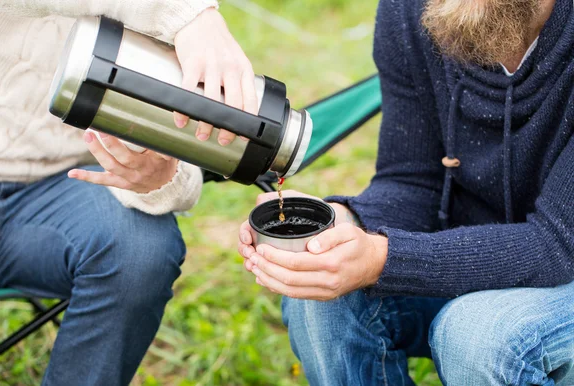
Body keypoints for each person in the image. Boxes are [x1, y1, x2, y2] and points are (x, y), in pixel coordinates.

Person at [238, 0, 574, 384]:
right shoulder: (414, 9)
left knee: (475, 336)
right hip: (471, 254)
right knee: (321, 297)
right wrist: (344, 223)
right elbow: (412, 180)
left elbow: (557, 243)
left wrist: (381, 259)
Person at [0, 0, 255, 384]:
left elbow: (184, 154)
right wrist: (190, 17)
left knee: (141, 251)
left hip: (62, 189)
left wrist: (161, 177)